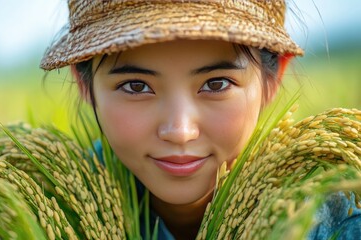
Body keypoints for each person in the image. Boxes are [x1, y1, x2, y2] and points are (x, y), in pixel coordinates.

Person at [39, 1, 361, 240]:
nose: (180, 131)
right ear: (85, 84)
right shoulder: (48, 214)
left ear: (272, 78)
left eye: (216, 84)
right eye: (136, 86)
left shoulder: (325, 221)